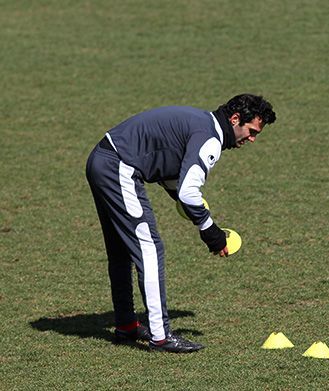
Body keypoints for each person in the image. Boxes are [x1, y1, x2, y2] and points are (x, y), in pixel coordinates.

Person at [85, 94, 276, 353]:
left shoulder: (201, 122)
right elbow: (188, 191)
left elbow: (170, 170)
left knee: (121, 251)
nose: (252, 138)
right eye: (251, 131)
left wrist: (192, 209)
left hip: (102, 160)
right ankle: (161, 336)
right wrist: (210, 231)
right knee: (150, 249)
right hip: (118, 167)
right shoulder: (210, 138)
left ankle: (127, 325)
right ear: (234, 119)